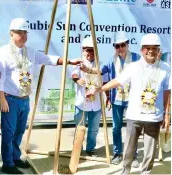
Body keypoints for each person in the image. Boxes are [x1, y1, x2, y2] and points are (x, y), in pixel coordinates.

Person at [0, 18, 81, 174]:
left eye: (25, 32)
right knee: (8, 132)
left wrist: (69, 61)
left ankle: (15, 158)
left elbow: (48, 59)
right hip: (10, 100)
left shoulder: (31, 52)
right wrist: (1, 98)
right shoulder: (3, 52)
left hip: (24, 99)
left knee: (19, 131)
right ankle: (7, 164)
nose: (24, 36)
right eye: (20, 32)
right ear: (11, 33)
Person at [87, 33, 171, 174]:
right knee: (128, 150)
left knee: (150, 153)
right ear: (141, 50)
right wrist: (99, 89)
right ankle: (125, 171)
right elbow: (117, 81)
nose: (150, 51)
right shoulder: (133, 66)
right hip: (134, 116)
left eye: (154, 48)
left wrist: (167, 114)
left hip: (154, 118)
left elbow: (167, 91)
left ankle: (145, 172)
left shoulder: (166, 68)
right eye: (147, 48)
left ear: (159, 50)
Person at [80, 31, 140, 166]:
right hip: (117, 98)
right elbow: (100, 70)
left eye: (122, 45)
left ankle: (133, 155)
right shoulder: (111, 59)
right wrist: (88, 70)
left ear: (128, 44)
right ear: (114, 47)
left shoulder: (137, 58)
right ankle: (118, 153)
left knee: (133, 128)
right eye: (117, 46)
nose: (120, 48)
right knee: (116, 128)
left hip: (133, 99)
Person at [71, 37, 101, 156]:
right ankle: (77, 149)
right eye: (87, 50)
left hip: (96, 103)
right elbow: (74, 74)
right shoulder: (79, 62)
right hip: (82, 103)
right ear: (83, 50)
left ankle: (90, 149)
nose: (90, 53)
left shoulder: (100, 64)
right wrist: (77, 80)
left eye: (92, 50)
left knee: (93, 129)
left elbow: (104, 81)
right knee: (79, 128)